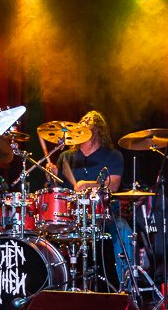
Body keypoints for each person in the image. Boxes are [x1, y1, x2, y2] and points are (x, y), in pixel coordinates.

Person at [49, 111, 134, 287]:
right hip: (72, 218)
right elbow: (57, 192)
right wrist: (52, 176)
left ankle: (124, 287)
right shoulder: (66, 157)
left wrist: (87, 184)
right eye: (82, 120)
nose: (83, 123)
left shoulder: (112, 156)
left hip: (105, 216)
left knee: (124, 230)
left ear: (98, 129)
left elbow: (113, 185)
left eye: (89, 121)